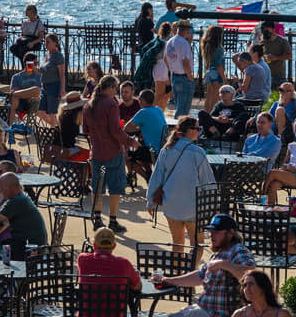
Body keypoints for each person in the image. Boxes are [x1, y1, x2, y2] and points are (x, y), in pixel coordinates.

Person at [157, 214, 256, 317]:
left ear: (230, 233)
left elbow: (251, 274)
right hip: (213, 314)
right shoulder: (219, 253)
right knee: (186, 315)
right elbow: (199, 276)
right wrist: (169, 280)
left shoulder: (238, 251)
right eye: (211, 231)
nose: (212, 235)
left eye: (217, 232)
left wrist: (224, 265)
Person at [146, 116, 216, 248]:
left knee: (177, 243)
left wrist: (150, 200)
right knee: (197, 245)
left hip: (171, 204)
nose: (199, 131)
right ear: (188, 131)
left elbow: (156, 177)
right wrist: (213, 206)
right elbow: (208, 181)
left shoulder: (166, 150)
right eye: (197, 128)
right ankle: (192, 268)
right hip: (193, 207)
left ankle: (179, 269)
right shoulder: (198, 152)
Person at [85, 74, 135, 234]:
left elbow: (85, 130)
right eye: (116, 88)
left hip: (97, 152)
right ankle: (113, 221)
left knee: (97, 188)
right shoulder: (111, 104)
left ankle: (97, 219)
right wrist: (130, 141)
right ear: (112, 87)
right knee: (115, 188)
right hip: (113, 153)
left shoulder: (88, 105)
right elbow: (115, 131)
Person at [0, 172, 46, 257]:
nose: (1, 191)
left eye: (2, 188)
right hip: (29, 242)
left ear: (12, 187)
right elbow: (4, 213)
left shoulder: (17, 200)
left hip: (30, 246)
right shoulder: (20, 196)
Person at [262, 117, 296, 199]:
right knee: (273, 185)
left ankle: (262, 197)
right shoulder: (291, 146)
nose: (295, 131)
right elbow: (285, 163)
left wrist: (294, 170)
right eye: (294, 128)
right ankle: (269, 209)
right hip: (289, 174)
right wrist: (285, 168)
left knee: (272, 173)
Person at [163, 21, 195, 119]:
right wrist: (190, 76)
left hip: (174, 76)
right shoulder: (184, 43)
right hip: (183, 77)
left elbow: (165, 58)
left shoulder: (170, 41)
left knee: (179, 106)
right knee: (183, 109)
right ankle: (178, 129)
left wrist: (171, 69)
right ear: (186, 31)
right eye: (189, 31)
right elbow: (185, 62)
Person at [135, 22, 169, 105]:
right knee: (160, 93)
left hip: (156, 66)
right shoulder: (164, 43)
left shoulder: (156, 41)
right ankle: (155, 108)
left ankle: (158, 108)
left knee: (161, 92)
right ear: (169, 32)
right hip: (162, 67)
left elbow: (144, 49)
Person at [38, 33, 66, 114]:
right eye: (45, 42)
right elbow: (41, 71)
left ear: (55, 43)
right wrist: (32, 68)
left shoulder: (58, 56)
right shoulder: (47, 55)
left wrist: (62, 90)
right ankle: (54, 126)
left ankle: (55, 126)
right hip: (44, 86)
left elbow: (62, 75)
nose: (45, 44)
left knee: (53, 113)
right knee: (40, 112)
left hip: (53, 87)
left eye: (48, 42)